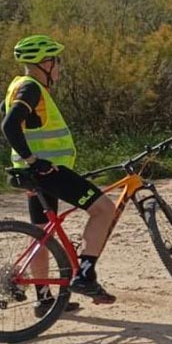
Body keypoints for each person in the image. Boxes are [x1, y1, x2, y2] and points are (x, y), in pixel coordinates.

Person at [2, 35, 117, 308]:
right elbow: (8, 125)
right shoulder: (31, 89)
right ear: (45, 62)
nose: (59, 67)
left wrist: (26, 161)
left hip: (31, 174)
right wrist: (33, 159)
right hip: (46, 172)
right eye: (56, 61)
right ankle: (85, 276)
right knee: (104, 210)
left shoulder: (17, 86)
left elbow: (6, 119)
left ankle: (45, 300)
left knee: (42, 232)